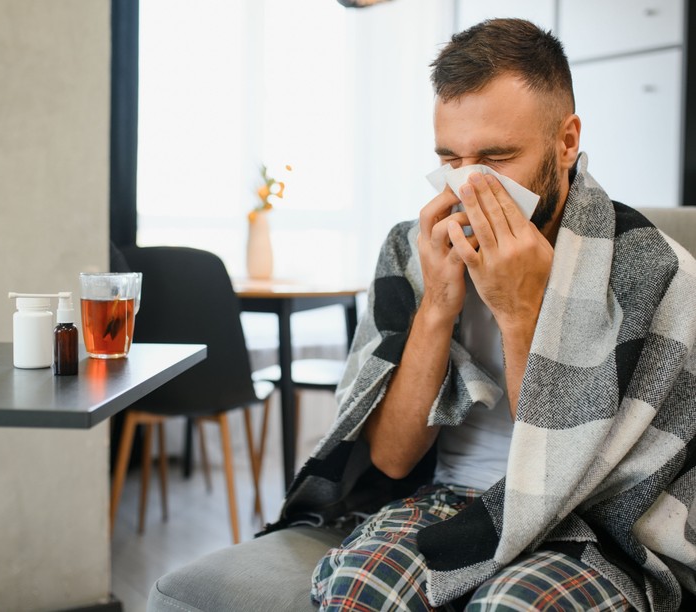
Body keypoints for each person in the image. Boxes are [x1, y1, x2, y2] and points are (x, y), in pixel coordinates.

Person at [264, 18, 696, 611]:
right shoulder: (410, 250)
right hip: (448, 499)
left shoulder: (653, 269)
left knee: (513, 605)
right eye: (450, 158)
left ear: (566, 142)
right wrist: (440, 300)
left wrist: (521, 313)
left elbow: (571, 482)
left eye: (496, 158)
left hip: (588, 524)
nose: (469, 185)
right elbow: (391, 459)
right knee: (357, 590)